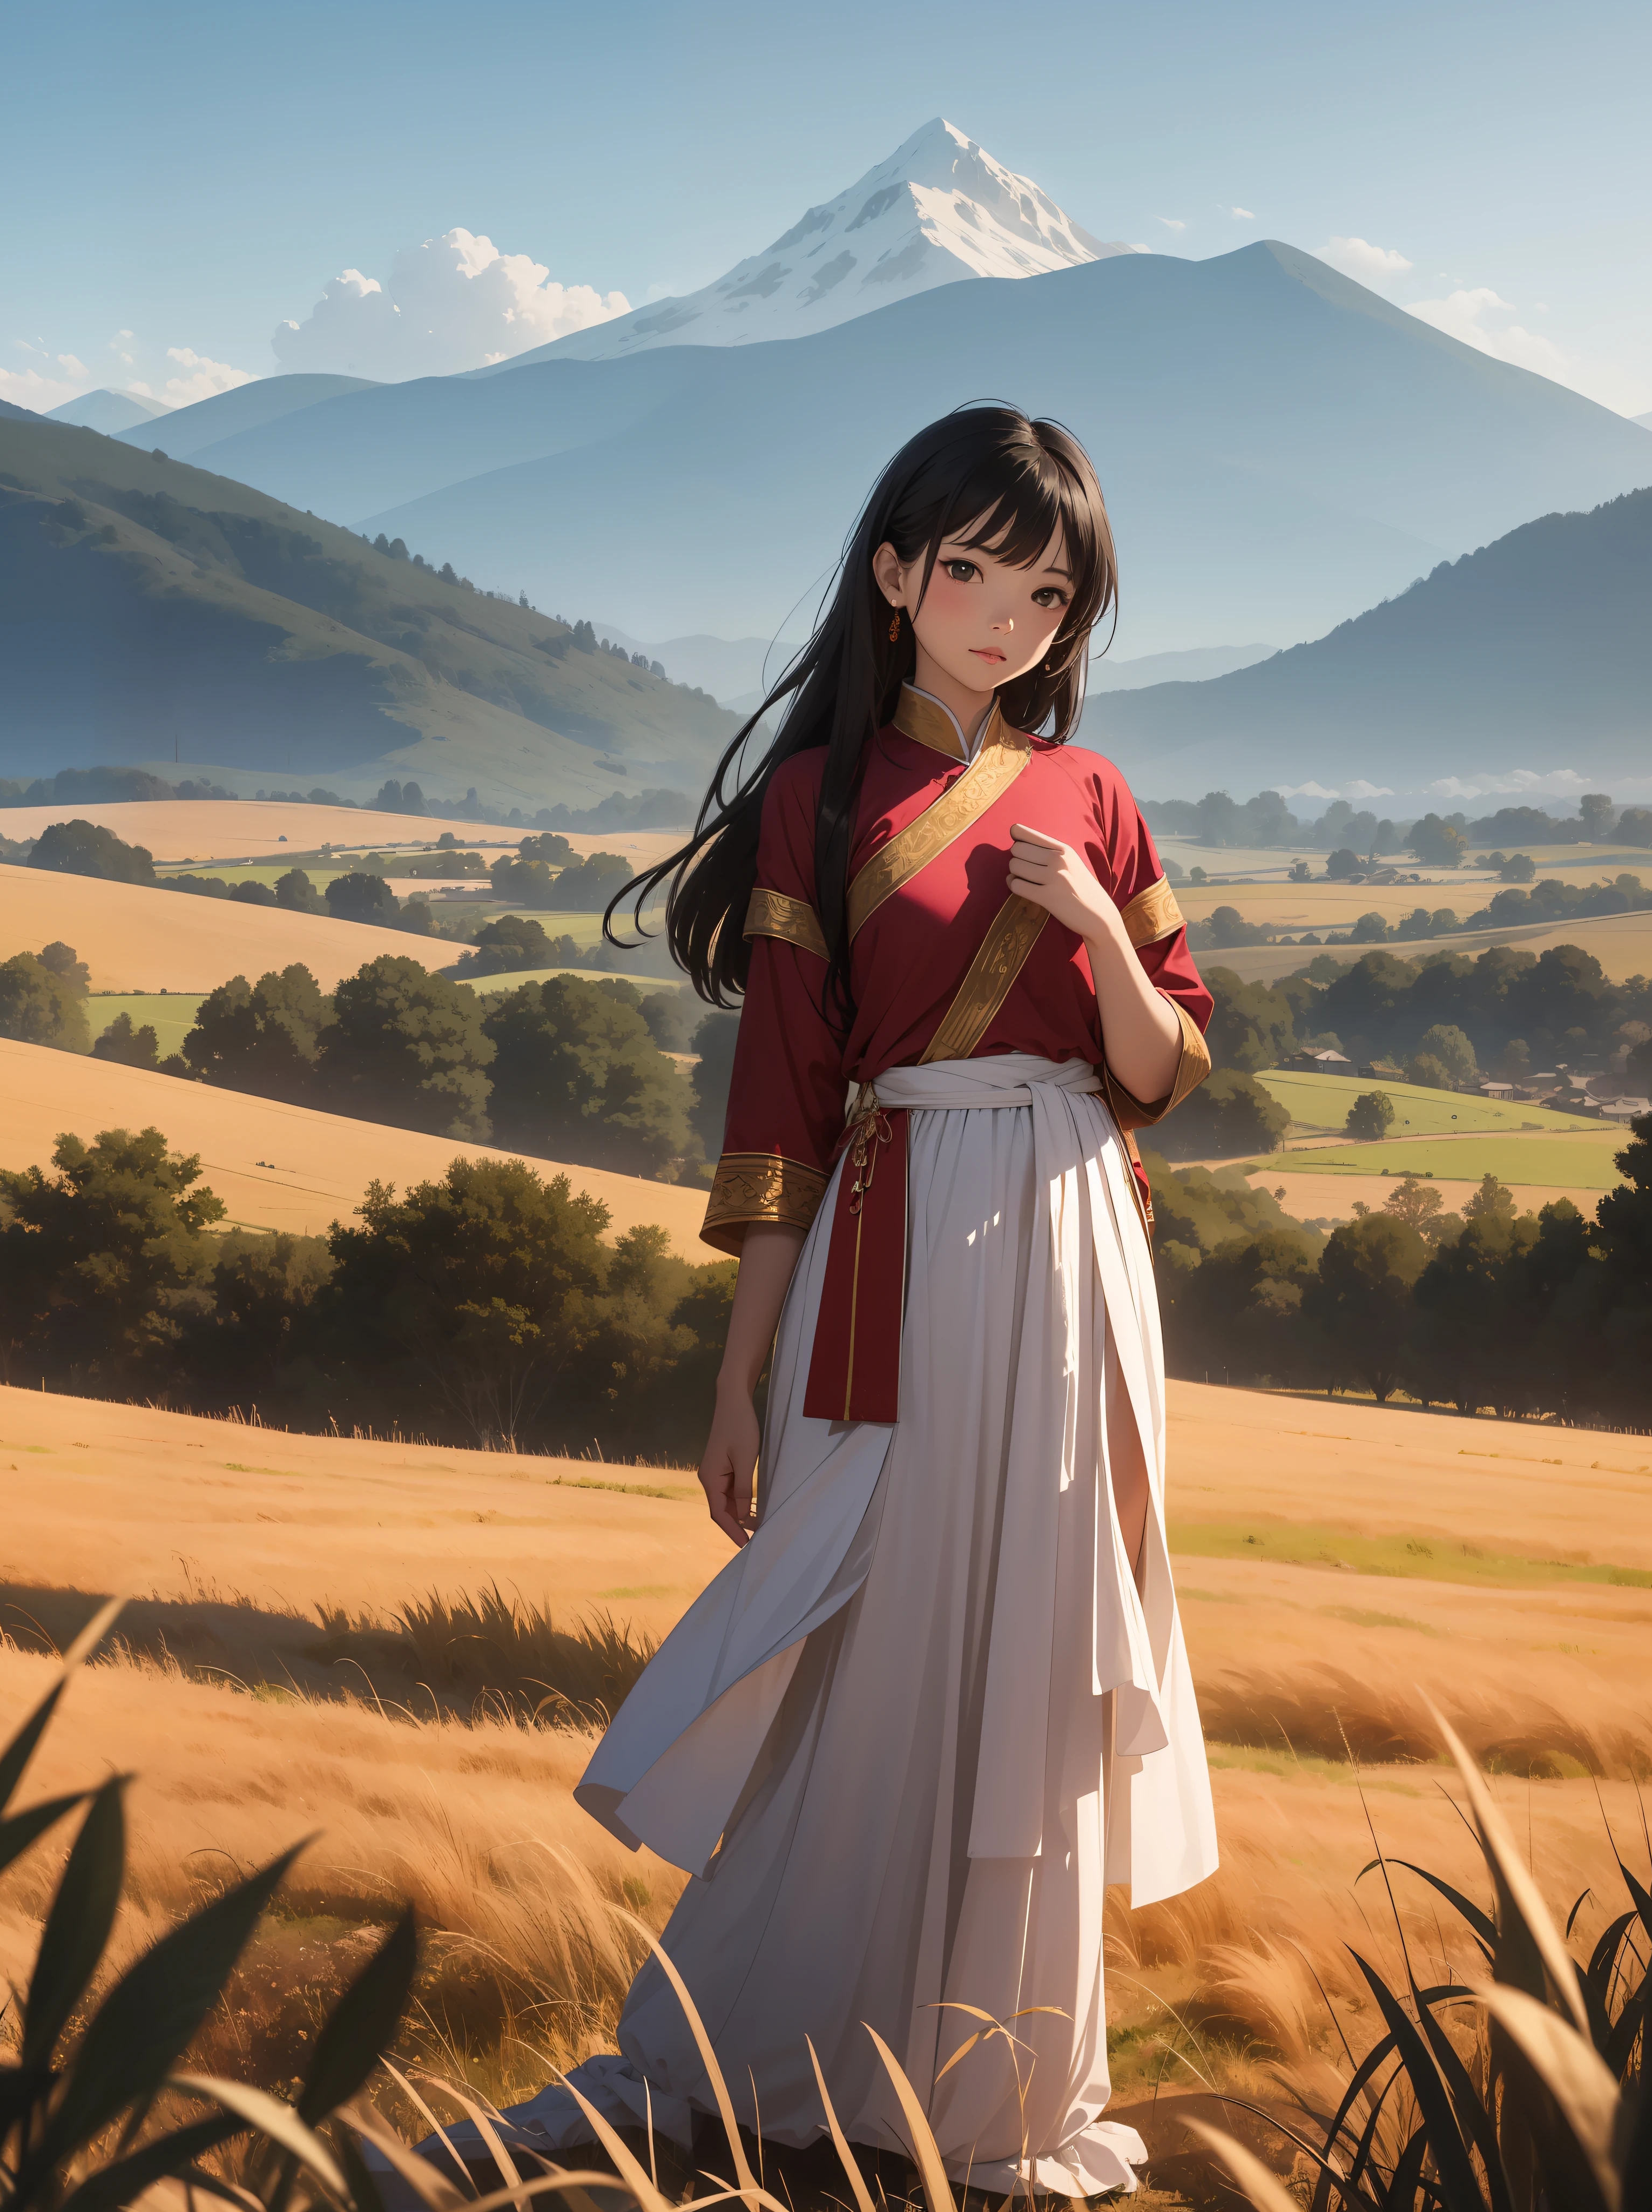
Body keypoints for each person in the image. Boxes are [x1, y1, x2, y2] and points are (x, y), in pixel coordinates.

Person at [436, 406, 1218, 2195]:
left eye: (1048, 586)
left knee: (1039, 1642)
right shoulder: (817, 804)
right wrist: (738, 1379)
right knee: (869, 1627)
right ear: (893, 575)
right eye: (973, 573)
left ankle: (999, 2098)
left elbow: (1167, 1069)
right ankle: (751, 2042)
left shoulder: (1094, 796)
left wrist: (1100, 929)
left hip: (1080, 1235)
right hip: (899, 1238)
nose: (1010, 617)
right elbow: (784, 1107)